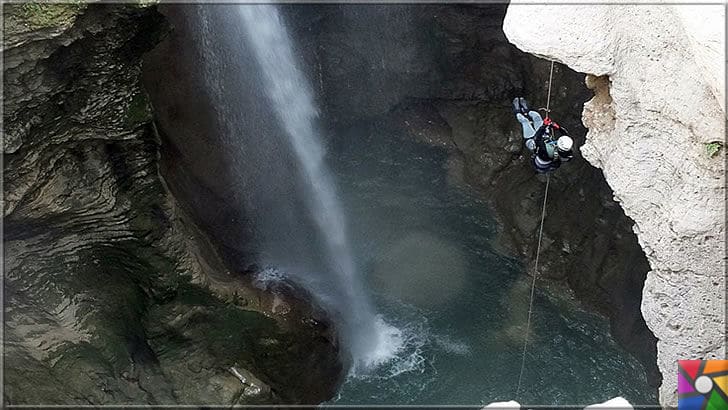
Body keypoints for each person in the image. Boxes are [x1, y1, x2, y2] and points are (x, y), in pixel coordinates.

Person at [512, 97, 574, 174]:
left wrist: (544, 126)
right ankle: (526, 111)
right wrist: (558, 127)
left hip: (533, 141)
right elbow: (566, 135)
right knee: (537, 117)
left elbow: (537, 138)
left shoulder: (547, 151)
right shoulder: (567, 152)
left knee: (525, 121)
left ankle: (517, 111)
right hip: (544, 139)